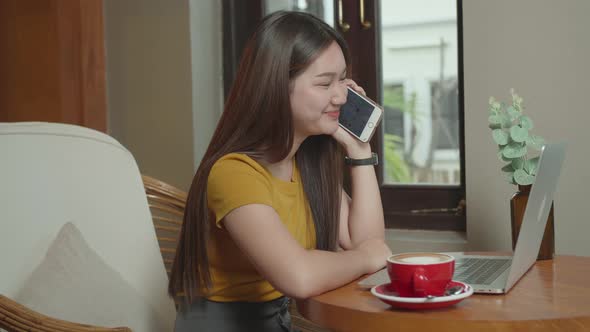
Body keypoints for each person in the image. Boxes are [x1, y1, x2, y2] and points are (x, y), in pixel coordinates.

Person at [169, 10, 392, 332]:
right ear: (276, 87)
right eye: (325, 82)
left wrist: (360, 151)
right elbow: (298, 276)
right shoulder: (233, 173)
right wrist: (367, 256)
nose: (342, 95)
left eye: (343, 79)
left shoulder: (308, 165)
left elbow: (370, 242)